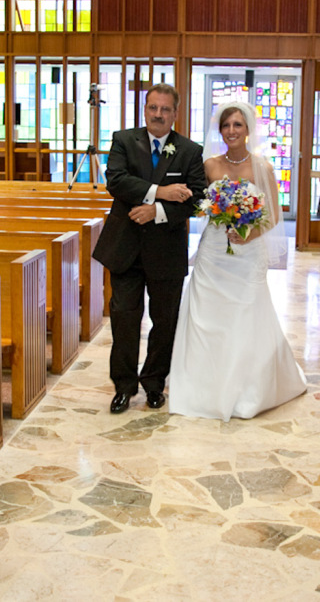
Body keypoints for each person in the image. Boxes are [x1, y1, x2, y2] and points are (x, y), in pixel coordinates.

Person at [168, 101, 307, 422]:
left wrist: (249, 236)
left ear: (248, 130)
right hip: (214, 252)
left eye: (237, 125)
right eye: (226, 125)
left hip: (246, 254)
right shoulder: (209, 166)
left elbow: (273, 216)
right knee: (207, 314)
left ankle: (246, 387)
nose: (231, 131)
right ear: (220, 130)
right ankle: (201, 383)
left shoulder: (263, 168)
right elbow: (198, 204)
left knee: (244, 314)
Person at [92, 84, 209, 414]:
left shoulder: (189, 150)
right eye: (152, 108)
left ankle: (155, 384)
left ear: (175, 113)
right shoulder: (123, 140)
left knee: (164, 322)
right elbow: (116, 181)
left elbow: (197, 199)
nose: (158, 114)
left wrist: (156, 211)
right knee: (125, 320)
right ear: (145, 109)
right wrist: (162, 191)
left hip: (166, 252)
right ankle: (124, 387)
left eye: (165, 109)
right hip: (125, 248)